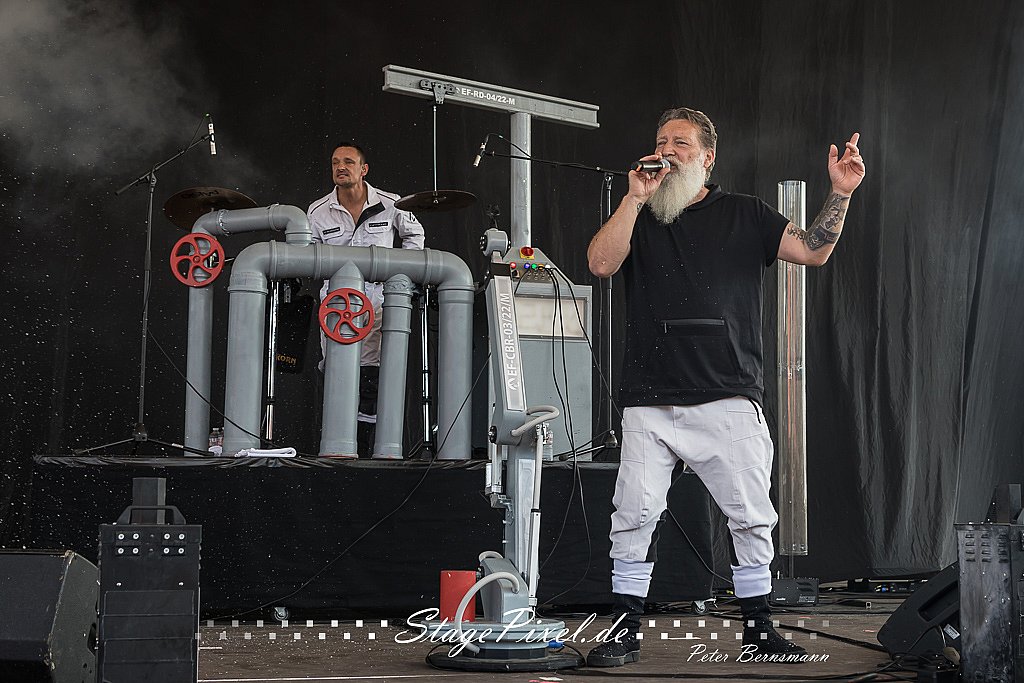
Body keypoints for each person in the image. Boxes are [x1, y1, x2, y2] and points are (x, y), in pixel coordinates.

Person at [585, 108, 864, 666]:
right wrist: (634, 198)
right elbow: (599, 264)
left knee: (751, 513)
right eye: (661, 141)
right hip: (651, 398)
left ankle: (758, 630)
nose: (667, 150)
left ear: (707, 157)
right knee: (633, 512)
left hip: (727, 393)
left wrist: (841, 193)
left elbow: (813, 250)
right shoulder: (639, 214)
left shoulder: (745, 213)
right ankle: (624, 629)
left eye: (681, 143)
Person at [307, 142, 425, 458]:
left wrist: (400, 273)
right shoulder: (317, 211)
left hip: (378, 301)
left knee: (371, 372)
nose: (340, 167)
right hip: (337, 304)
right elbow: (306, 255)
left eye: (348, 161)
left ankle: (367, 448)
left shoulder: (392, 202)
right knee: (336, 369)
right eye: (335, 162)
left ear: (364, 169)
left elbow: (415, 236)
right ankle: (338, 446)